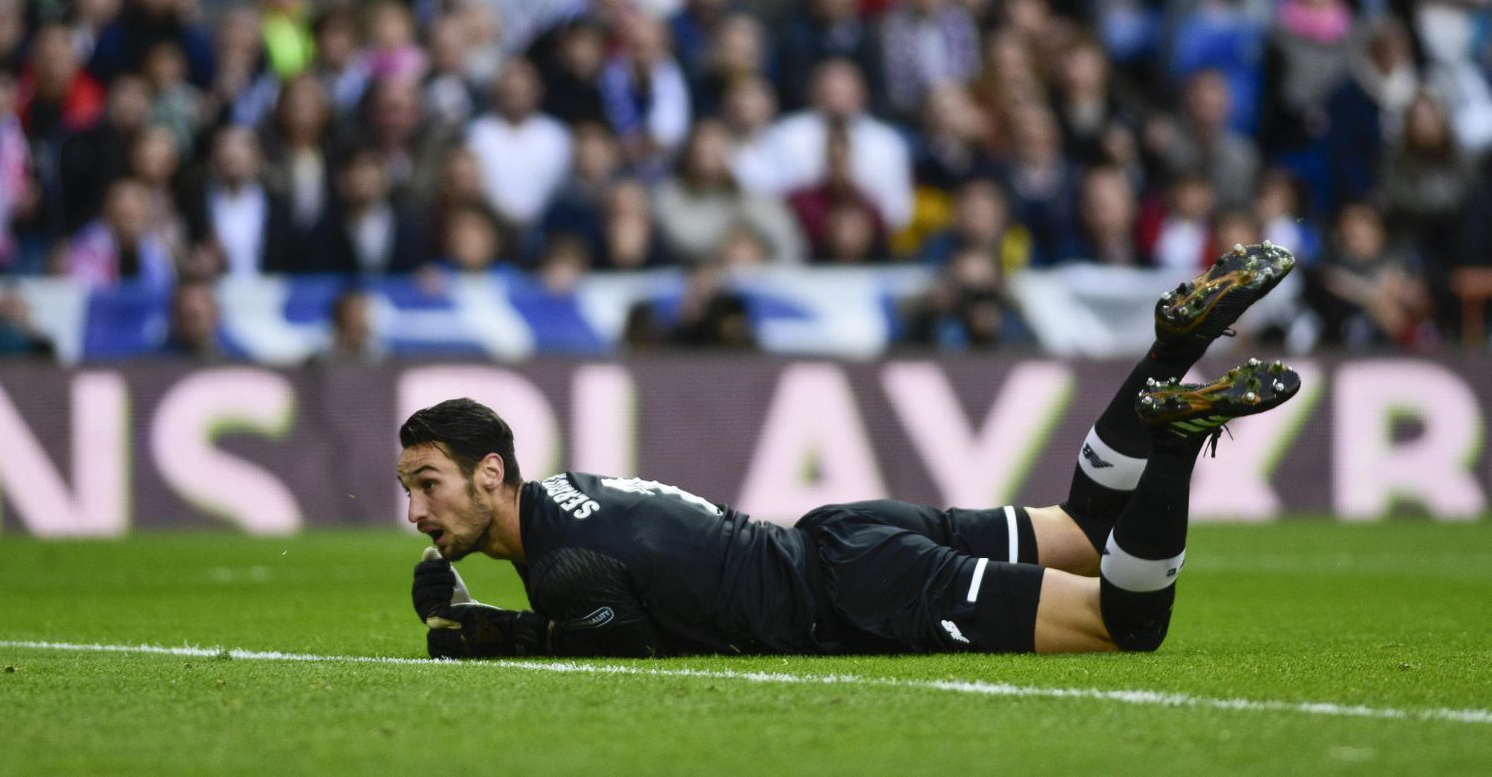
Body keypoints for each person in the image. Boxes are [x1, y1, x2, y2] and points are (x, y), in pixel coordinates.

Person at [401, 242, 1301, 658]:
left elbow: (606, 641)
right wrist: (477, 616)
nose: (415, 512)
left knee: (1126, 624)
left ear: (491, 474)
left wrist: (482, 635)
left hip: (860, 591)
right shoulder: (565, 499)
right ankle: (1171, 350)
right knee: (1088, 523)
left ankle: (1177, 438)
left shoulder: (563, 567)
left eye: (429, 484)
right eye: (409, 491)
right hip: (846, 534)